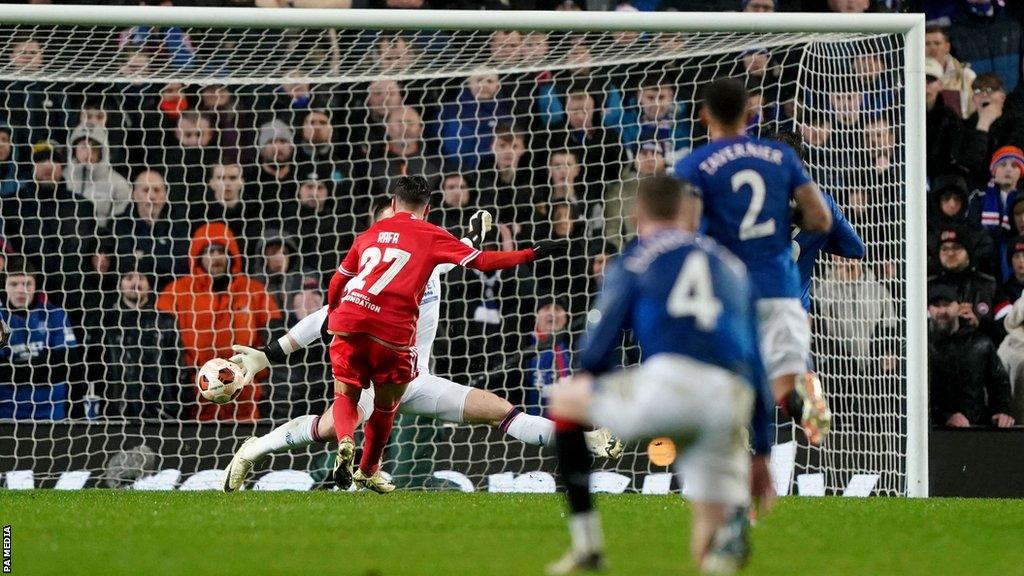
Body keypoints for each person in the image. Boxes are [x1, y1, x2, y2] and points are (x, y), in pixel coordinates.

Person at [222, 203, 621, 492]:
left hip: (416, 380)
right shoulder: (369, 278)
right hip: (375, 380)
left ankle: (586, 439)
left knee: (500, 410)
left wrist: (476, 234)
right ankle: (253, 450)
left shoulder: (431, 258)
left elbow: (462, 252)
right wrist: (267, 355)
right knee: (328, 430)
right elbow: (322, 318)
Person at [546, 176, 773, 574]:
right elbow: (756, 361)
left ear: (636, 216)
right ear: (686, 215)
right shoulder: (730, 265)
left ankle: (587, 545)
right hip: (728, 398)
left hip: (669, 386)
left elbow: (597, 350)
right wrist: (764, 453)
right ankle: (727, 537)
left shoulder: (637, 258)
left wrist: (594, 381)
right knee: (710, 535)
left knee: (565, 398)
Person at [319, 176, 564, 493]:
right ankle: (368, 469)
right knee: (385, 407)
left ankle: (346, 442)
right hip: (391, 337)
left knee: (345, 395)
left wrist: (335, 311)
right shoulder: (431, 234)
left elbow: (338, 282)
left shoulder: (369, 234)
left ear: (393, 205)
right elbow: (482, 262)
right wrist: (530, 253)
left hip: (348, 322)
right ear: (428, 209)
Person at [674, 78, 834, 445]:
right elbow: (821, 220)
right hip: (780, 287)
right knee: (785, 377)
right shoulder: (781, 158)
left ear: (704, 116)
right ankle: (808, 402)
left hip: (728, 290)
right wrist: (787, 221)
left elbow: (684, 233)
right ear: (750, 114)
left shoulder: (694, 165)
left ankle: (735, 436)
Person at [155, 222, 283, 421]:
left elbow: (274, 343)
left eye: (220, 251)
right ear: (198, 257)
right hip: (194, 399)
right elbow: (164, 348)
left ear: (231, 254)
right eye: (209, 251)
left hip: (246, 399)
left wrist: (262, 384)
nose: (215, 258)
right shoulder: (177, 292)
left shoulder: (255, 292)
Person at [772, 130, 866, 312]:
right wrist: (819, 238)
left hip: (750, 313)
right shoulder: (823, 205)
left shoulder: (744, 198)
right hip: (793, 316)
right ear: (801, 167)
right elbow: (857, 249)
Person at [0, 256, 79, 420]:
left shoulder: (55, 315)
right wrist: (45, 363)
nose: (21, 290)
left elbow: (66, 364)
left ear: (36, 286)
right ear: (4, 286)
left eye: (27, 284)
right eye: (14, 284)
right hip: (7, 413)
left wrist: (13, 366)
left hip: (51, 412)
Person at [102, 264, 183, 419]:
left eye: (141, 277)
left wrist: (179, 407)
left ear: (149, 284)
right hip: (117, 415)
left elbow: (180, 369)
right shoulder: (106, 323)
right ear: (120, 284)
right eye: (129, 277)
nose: (135, 283)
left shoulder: (166, 322)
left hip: (163, 414)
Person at [928, 284, 1014, 429]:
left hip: (976, 429)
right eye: (936, 305)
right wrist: (945, 416)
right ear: (929, 309)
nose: (942, 311)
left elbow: (999, 383)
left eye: (947, 305)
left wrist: (1001, 411)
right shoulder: (920, 346)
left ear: (959, 307)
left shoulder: (981, 343)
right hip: (933, 431)